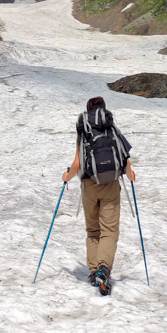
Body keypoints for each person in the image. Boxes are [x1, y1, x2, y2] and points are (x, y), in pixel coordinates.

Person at [62, 96, 135, 295]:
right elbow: (125, 159)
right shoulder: (111, 128)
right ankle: (104, 269)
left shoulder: (83, 130)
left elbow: (77, 163)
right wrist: (130, 175)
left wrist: (67, 176)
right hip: (111, 185)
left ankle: (95, 273)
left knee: (93, 231)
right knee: (109, 231)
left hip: (89, 185)